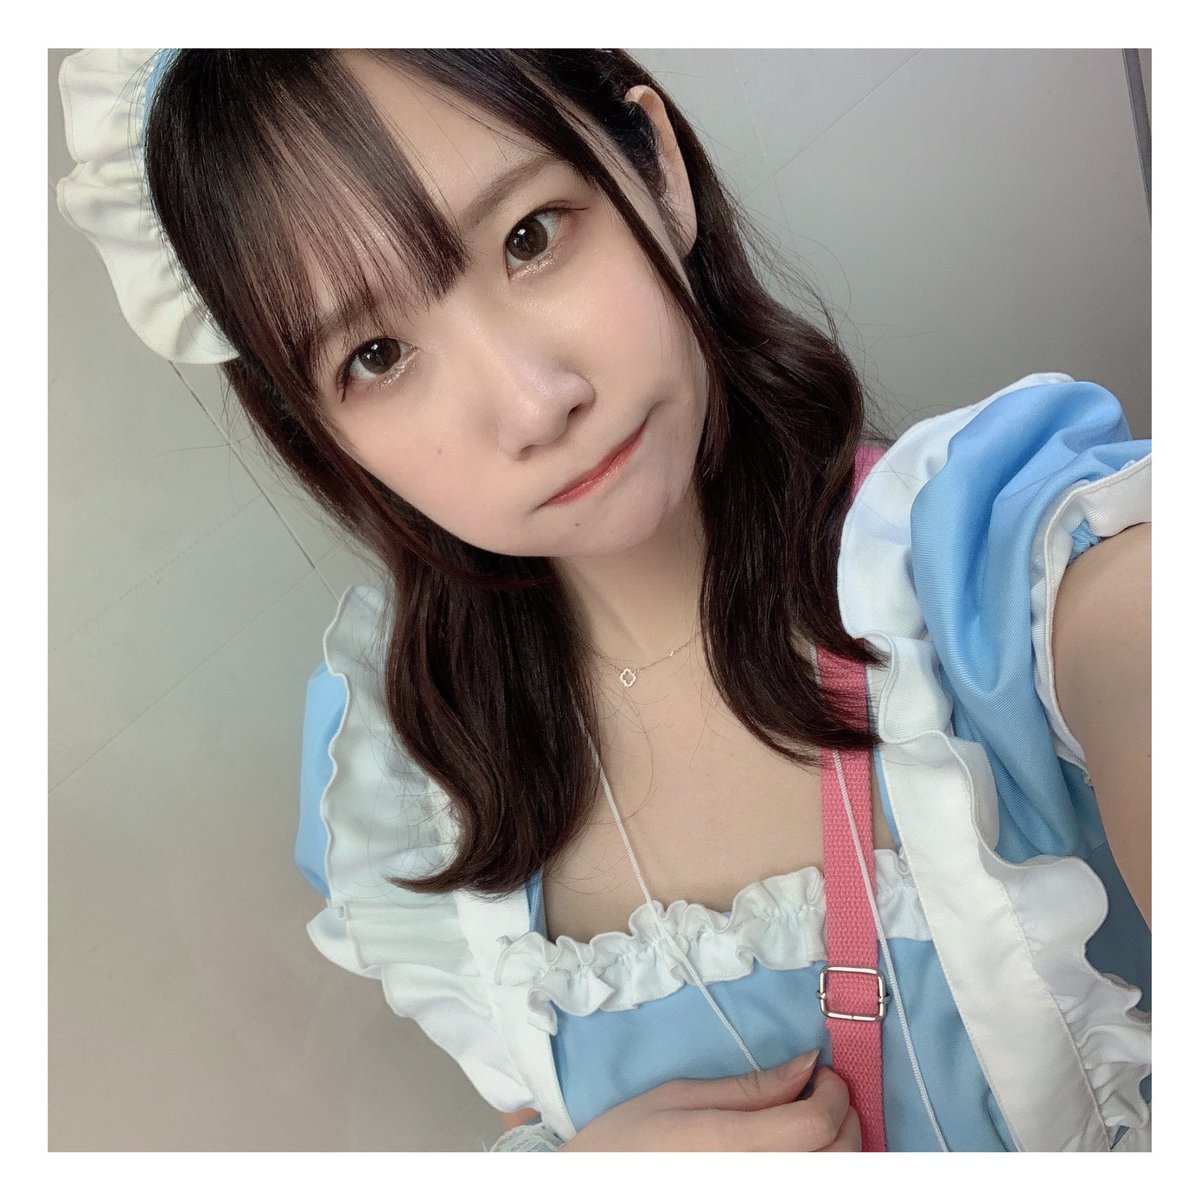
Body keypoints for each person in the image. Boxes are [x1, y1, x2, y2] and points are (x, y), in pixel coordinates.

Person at [57, 49, 1150, 1152]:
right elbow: (526, 1106)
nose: (534, 405)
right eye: (376, 355)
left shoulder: (996, 568)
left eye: (530, 236)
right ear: (322, 431)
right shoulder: (410, 775)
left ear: (656, 169)